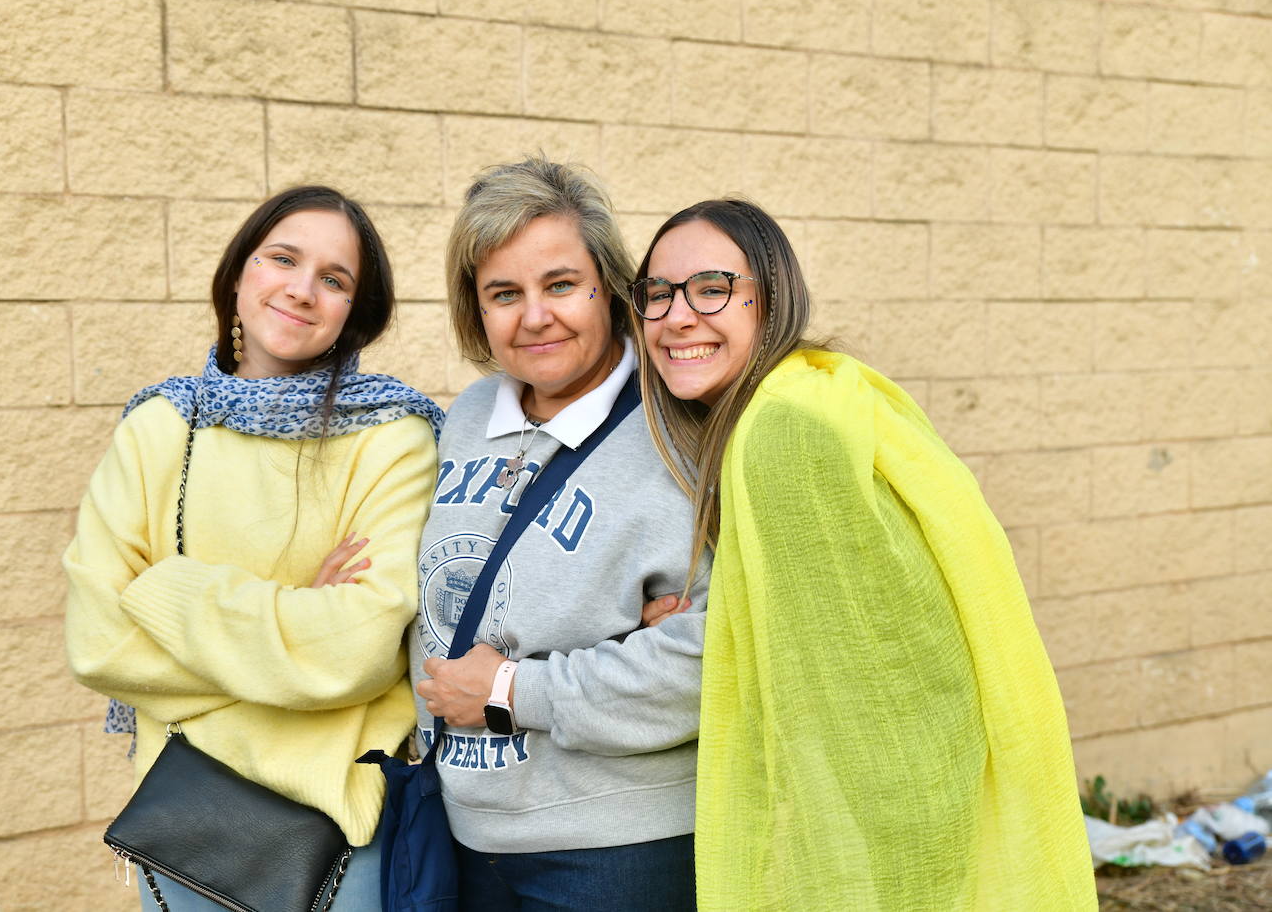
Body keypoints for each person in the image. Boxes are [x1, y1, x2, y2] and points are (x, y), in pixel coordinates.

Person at [630, 198, 1097, 910]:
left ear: (771, 299)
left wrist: (698, 631)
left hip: (882, 810)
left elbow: (821, 687)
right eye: (656, 295)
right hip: (922, 775)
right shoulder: (816, 390)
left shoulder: (781, 434)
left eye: (713, 288)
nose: (677, 317)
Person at [63, 185, 443, 912]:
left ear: (354, 315)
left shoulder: (394, 437)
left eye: (334, 280)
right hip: (184, 829)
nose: (302, 290)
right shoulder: (159, 427)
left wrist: (163, 592)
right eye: (283, 259)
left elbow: (355, 653)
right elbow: (97, 642)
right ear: (240, 272)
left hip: (335, 838)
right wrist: (299, 616)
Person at [410, 157, 708, 911]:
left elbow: (713, 653)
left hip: (617, 848)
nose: (533, 316)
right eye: (503, 294)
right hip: (467, 831)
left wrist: (514, 690)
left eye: (561, 285)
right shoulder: (469, 418)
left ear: (608, 288)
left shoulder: (682, 429)